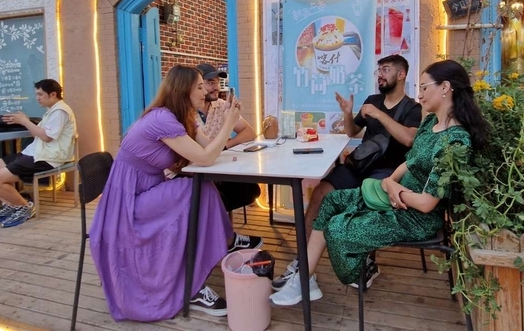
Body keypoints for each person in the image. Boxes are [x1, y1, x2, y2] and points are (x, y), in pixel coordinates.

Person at [270, 60, 490, 305]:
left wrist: (394, 187)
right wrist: (391, 181)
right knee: (329, 199)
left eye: (425, 87)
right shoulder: (430, 124)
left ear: (445, 87)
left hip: (415, 216)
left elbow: (427, 204)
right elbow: (411, 161)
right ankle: (304, 282)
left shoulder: (455, 142)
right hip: (394, 194)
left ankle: (361, 270)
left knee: (337, 228)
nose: (421, 93)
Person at [89, 65, 263, 322]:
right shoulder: (162, 119)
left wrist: (225, 124)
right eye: (200, 87)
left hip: (149, 188)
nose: (205, 91)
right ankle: (214, 257)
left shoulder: (185, 116)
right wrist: (228, 124)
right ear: (184, 91)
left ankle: (221, 245)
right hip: (128, 202)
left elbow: (207, 148)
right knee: (193, 189)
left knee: (201, 187)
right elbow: (205, 158)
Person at [273, 54, 422, 291]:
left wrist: (378, 114)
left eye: (385, 70)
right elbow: (352, 132)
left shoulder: (412, 108)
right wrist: (347, 112)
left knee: (367, 204)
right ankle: (303, 263)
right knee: (321, 192)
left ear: (401, 74)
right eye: (379, 71)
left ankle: (368, 262)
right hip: (360, 166)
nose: (380, 75)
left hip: (388, 173)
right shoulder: (373, 100)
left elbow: (409, 140)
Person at [0, 79, 76, 228]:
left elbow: (47, 137)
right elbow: (41, 134)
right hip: (32, 153)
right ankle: (10, 204)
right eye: (36, 94)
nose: (37, 98)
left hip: (47, 158)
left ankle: (25, 207)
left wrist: (25, 122)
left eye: (40, 94)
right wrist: (27, 121)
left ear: (53, 94)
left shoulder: (60, 111)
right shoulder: (52, 111)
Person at [192, 63, 262, 219]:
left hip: (215, 166)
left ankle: (220, 232)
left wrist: (226, 145)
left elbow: (250, 132)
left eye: (218, 82)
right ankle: (219, 233)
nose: (216, 87)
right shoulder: (185, 111)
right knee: (217, 195)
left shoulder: (222, 105)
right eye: (210, 83)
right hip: (192, 170)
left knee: (251, 190)